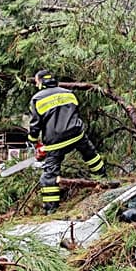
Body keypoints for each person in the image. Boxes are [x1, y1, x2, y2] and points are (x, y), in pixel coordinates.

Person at [27, 70, 107, 214]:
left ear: (39, 82)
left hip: (55, 142)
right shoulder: (68, 93)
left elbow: (35, 126)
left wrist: (33, 142)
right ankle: (104, 180)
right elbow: (75, 112)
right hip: (77, 134)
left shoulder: (36, 99)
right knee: (91, 156)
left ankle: (51, 210)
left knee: (50, 176)